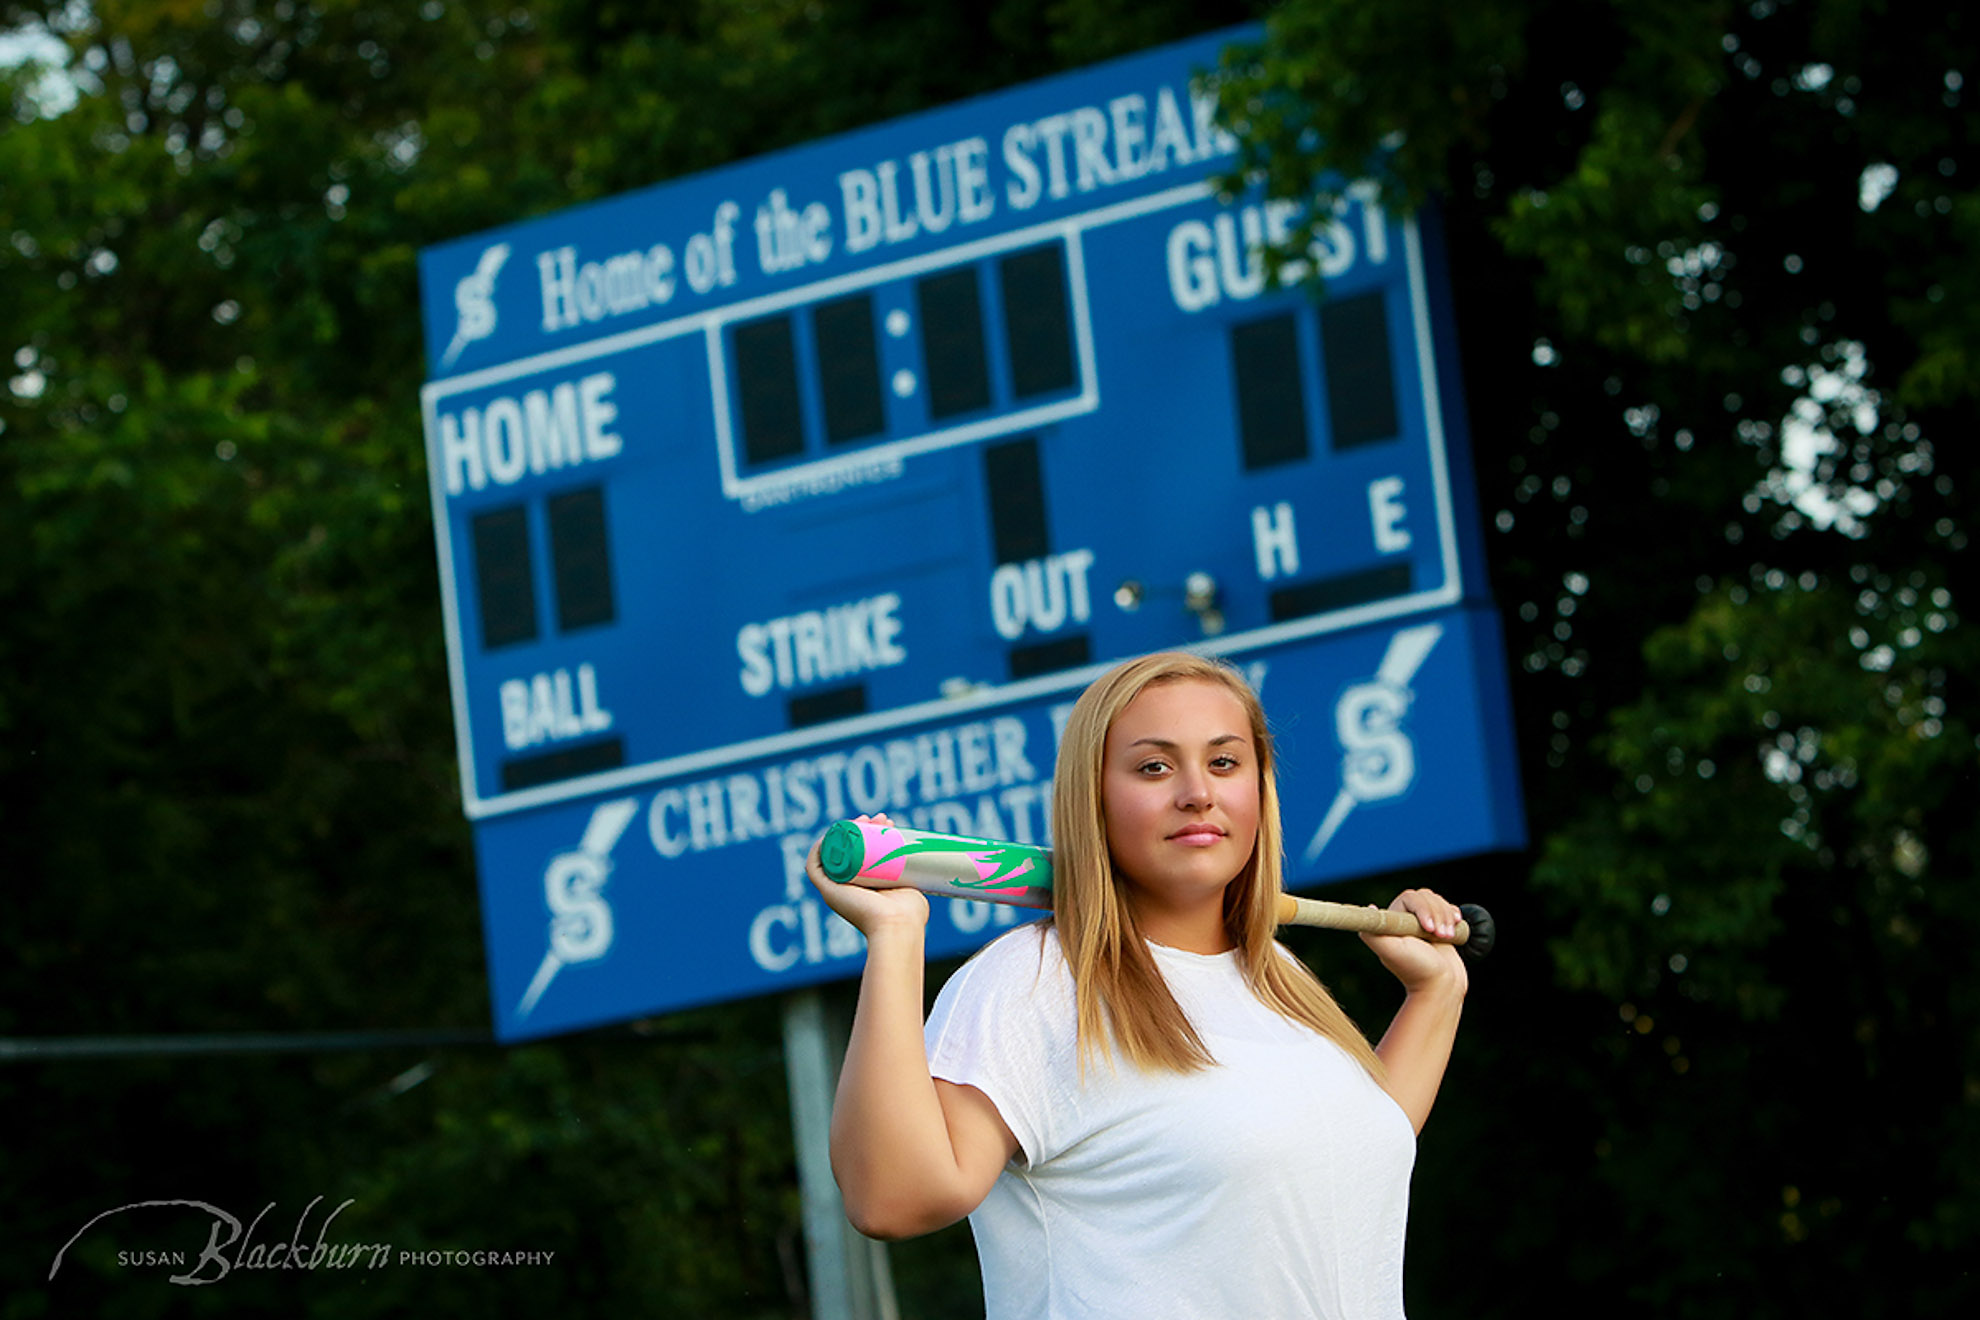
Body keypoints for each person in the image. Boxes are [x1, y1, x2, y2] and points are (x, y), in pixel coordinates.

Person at [805, 651, 1468, 1319]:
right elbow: (891, 1198)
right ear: (1091, 797)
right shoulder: (1034, 983)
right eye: (1154, 766)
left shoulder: (1279, 977)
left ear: (1259, 789)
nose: (1196, 792)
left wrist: (1437, 996)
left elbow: (1333, 1157)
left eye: (1224, 762)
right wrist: (895, 937)